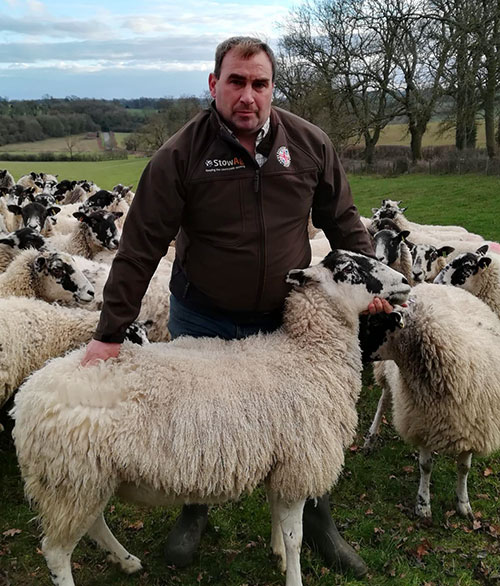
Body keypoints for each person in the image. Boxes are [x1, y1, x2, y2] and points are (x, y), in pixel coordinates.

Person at [81, 36, 391, 578]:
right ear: (214, 84)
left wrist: (369, 282)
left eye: (260, 84)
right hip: (206, 312)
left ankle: (318, 522)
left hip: (285, 316)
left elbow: (343, 220)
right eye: (236, 82)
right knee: (203, 421)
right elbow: (139, 248)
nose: (248, 95)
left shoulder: (310, 144)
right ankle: (195, 511)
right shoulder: (180, 155)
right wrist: (110, 332)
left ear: (272, 88)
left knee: (306, 424)